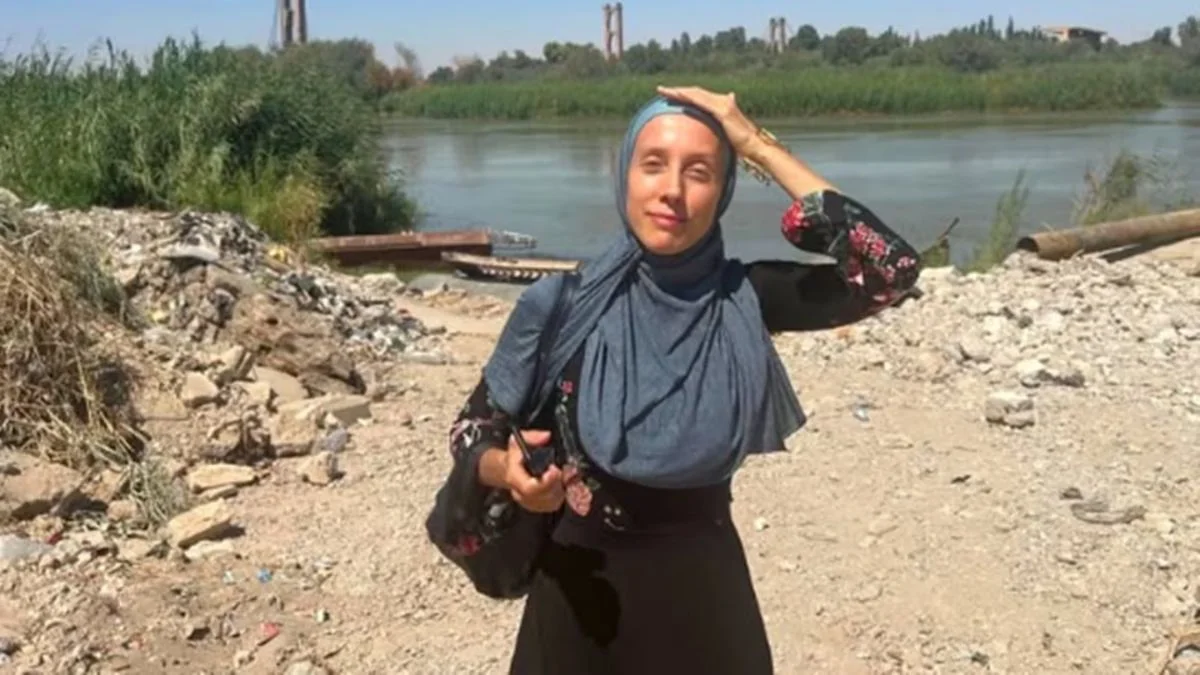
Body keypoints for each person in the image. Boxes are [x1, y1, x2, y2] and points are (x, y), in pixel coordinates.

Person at [437, 86, 922, 674]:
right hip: (579, 603)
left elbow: (891, 270)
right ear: (624, 177)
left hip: (707, 606)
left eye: (699, 172)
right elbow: (471, 431)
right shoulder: (561, 306)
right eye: (653, 165)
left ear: (723, 192)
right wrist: (505, 471)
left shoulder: (744, 299)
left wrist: (757, 146)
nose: (672, 189)